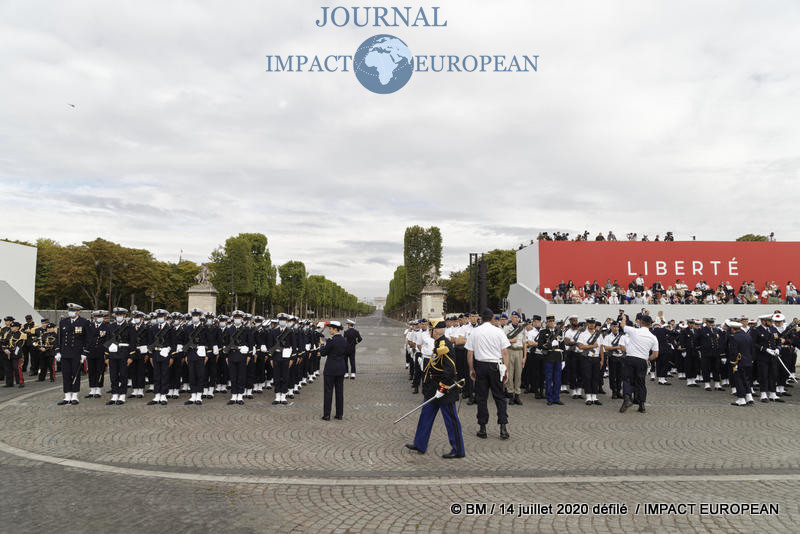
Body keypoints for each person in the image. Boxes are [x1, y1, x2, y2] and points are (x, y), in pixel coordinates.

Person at [405, 320, 465, 458]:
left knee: (451, 421)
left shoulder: (445, 345)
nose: (429, 332)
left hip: (444, 390)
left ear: (436, 331)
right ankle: (420, 443)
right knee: (425, 416)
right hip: (433, 388)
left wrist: (442, 389)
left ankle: (458, 450)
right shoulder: (438, 344)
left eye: (431, 330)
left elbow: (450, 371)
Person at [466, 308, 510, 440]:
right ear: (492, 319)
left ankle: (482, 427)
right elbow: (505, 353)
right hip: (495, 366)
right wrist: (506, 369)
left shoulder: (475, 332)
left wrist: (471, 369)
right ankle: (503, 427)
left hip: (480, 365)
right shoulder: (498, 331)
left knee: (481, 398)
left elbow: (470, 353)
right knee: (500, 397)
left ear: (481, 318)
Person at [619, 313, 659, 413]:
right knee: (641, 382)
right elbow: (655, 355)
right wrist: (647, 359)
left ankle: (627, 398)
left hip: (631, 357)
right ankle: (641, 405)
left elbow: (623, 326)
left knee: (627, 379)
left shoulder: (634, 331)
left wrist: (624, 318)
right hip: (642, 360)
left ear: (640, 322)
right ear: (650, 324)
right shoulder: (653, 337)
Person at [55, 303, 91, 405]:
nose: (70, 312)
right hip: (65, 353)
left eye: (73, 310)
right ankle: (67, 396)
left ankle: (75, 395)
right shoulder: (63, 322)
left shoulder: (84, 322)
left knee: (75, 374)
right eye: (69, 310)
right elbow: (59, 338)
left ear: (78, 312)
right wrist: (57, 351)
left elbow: (88, 339)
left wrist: (85, 352)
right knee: (66, 374)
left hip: (77, 353)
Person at [105, 307, 134, 405]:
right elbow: (107, 341)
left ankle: (122, 395)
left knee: (123, 375)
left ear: (124, 316)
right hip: (113, 354)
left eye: (120, 315)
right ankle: (114, 394)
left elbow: (132, 342)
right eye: (117, 315)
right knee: (113, 375)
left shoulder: (129, 326)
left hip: (124, 353)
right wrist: (107, 356)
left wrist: (131, 356)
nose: (119, 317)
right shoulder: (111, 326)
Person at [147, 309, 176, 406]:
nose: (160, 318)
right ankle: (157, 395)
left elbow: (173, 343)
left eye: (162, 316)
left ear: (165, 317)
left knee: (164, 374)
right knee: (156, 375)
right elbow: (150, 343)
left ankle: (163, 394)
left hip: (165, 354)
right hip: (156, 353)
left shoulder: (170, 328)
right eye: (158, 316)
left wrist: (172, 356)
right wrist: (150, 355)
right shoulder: (153, 328)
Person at [320, 321, 348, 420]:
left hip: (330, 369)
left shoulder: (331, 340)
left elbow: (323, 353)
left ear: (335, 329)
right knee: (339, 392)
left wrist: (322, 344)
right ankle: (339, 414)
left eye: (330, 328)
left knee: (328, 391)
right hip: (341, 368)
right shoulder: (344, 340)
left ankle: (327, 414)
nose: (329, 330)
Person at [726, 320, 754, 406]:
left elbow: (733, 352)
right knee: (746, 379)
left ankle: (741, 399)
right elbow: (752, 349)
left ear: (733, 329)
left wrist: (733, 363)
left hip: (739, 362)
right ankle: (749, 396)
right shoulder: (748, 336)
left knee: (739, 380)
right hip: (748, 361)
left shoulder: (734, 337)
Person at [576, 318, 604, 405]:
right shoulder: (583, 334)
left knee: (595, 377)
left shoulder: (598, 334)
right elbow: (580, 346)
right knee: (587, 377)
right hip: (586, 358)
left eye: (593, 323)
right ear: (587, 324)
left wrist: (602, 359)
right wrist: (592, 346)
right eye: (590, 323)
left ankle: (594, 397)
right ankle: (588, 397)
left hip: (596, 358)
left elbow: (601, 348)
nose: (592, 324)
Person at [503, 311, 526, 405]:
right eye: (513, 317)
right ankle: (511, 395)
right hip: (510, 351)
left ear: (519, 318)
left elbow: (524, 343)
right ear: (511, 318)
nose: (515, 318)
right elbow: (502, 340)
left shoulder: (522, 329)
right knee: (510, 373)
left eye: (517, 317)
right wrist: (511, 340)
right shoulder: (507, 328)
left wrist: (525, 357)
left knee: (518, 374)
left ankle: (517, 395)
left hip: (519, 351)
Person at [603, 321, 627, 398]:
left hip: (621, 357)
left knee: (620, 375)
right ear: (611, 327)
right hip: (612, 357)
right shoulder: (608, 337)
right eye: (614, 326)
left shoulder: (622, 336)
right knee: (613, 375)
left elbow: (626, 346)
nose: (615, 328)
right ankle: (614, 391)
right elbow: (606, 347)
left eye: (617, 326)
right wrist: (615, 347)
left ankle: (619, 391)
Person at [2, 321, 26, 388]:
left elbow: (19, 345)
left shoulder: (21, 334)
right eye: (11, 326)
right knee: (8, 369)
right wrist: (5, 349)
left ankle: (21, 382)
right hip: (7, 353)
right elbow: (4, 342)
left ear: (18, 327)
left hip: (16, 354)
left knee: (17, 368)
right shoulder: (8, 333)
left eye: (13, 327)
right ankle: (9, 383)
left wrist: (10, 351)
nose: (12, 328)